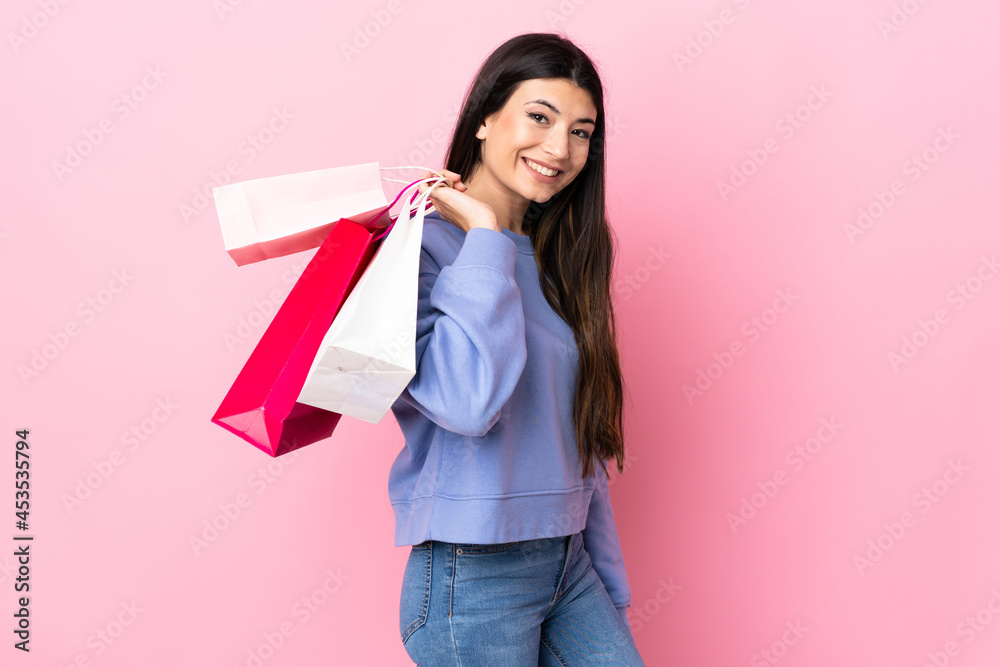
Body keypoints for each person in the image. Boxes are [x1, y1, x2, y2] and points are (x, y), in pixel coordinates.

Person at [389, 32, 644, 666]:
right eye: (540, 116)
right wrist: (481, 232)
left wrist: (607, 587)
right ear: (484, 118)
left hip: (568, 562)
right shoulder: (416, 251)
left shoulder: (561, 261)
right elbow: (466, 402)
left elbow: (577, 441)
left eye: (581, 131)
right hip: (472, 576)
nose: (560, 148)